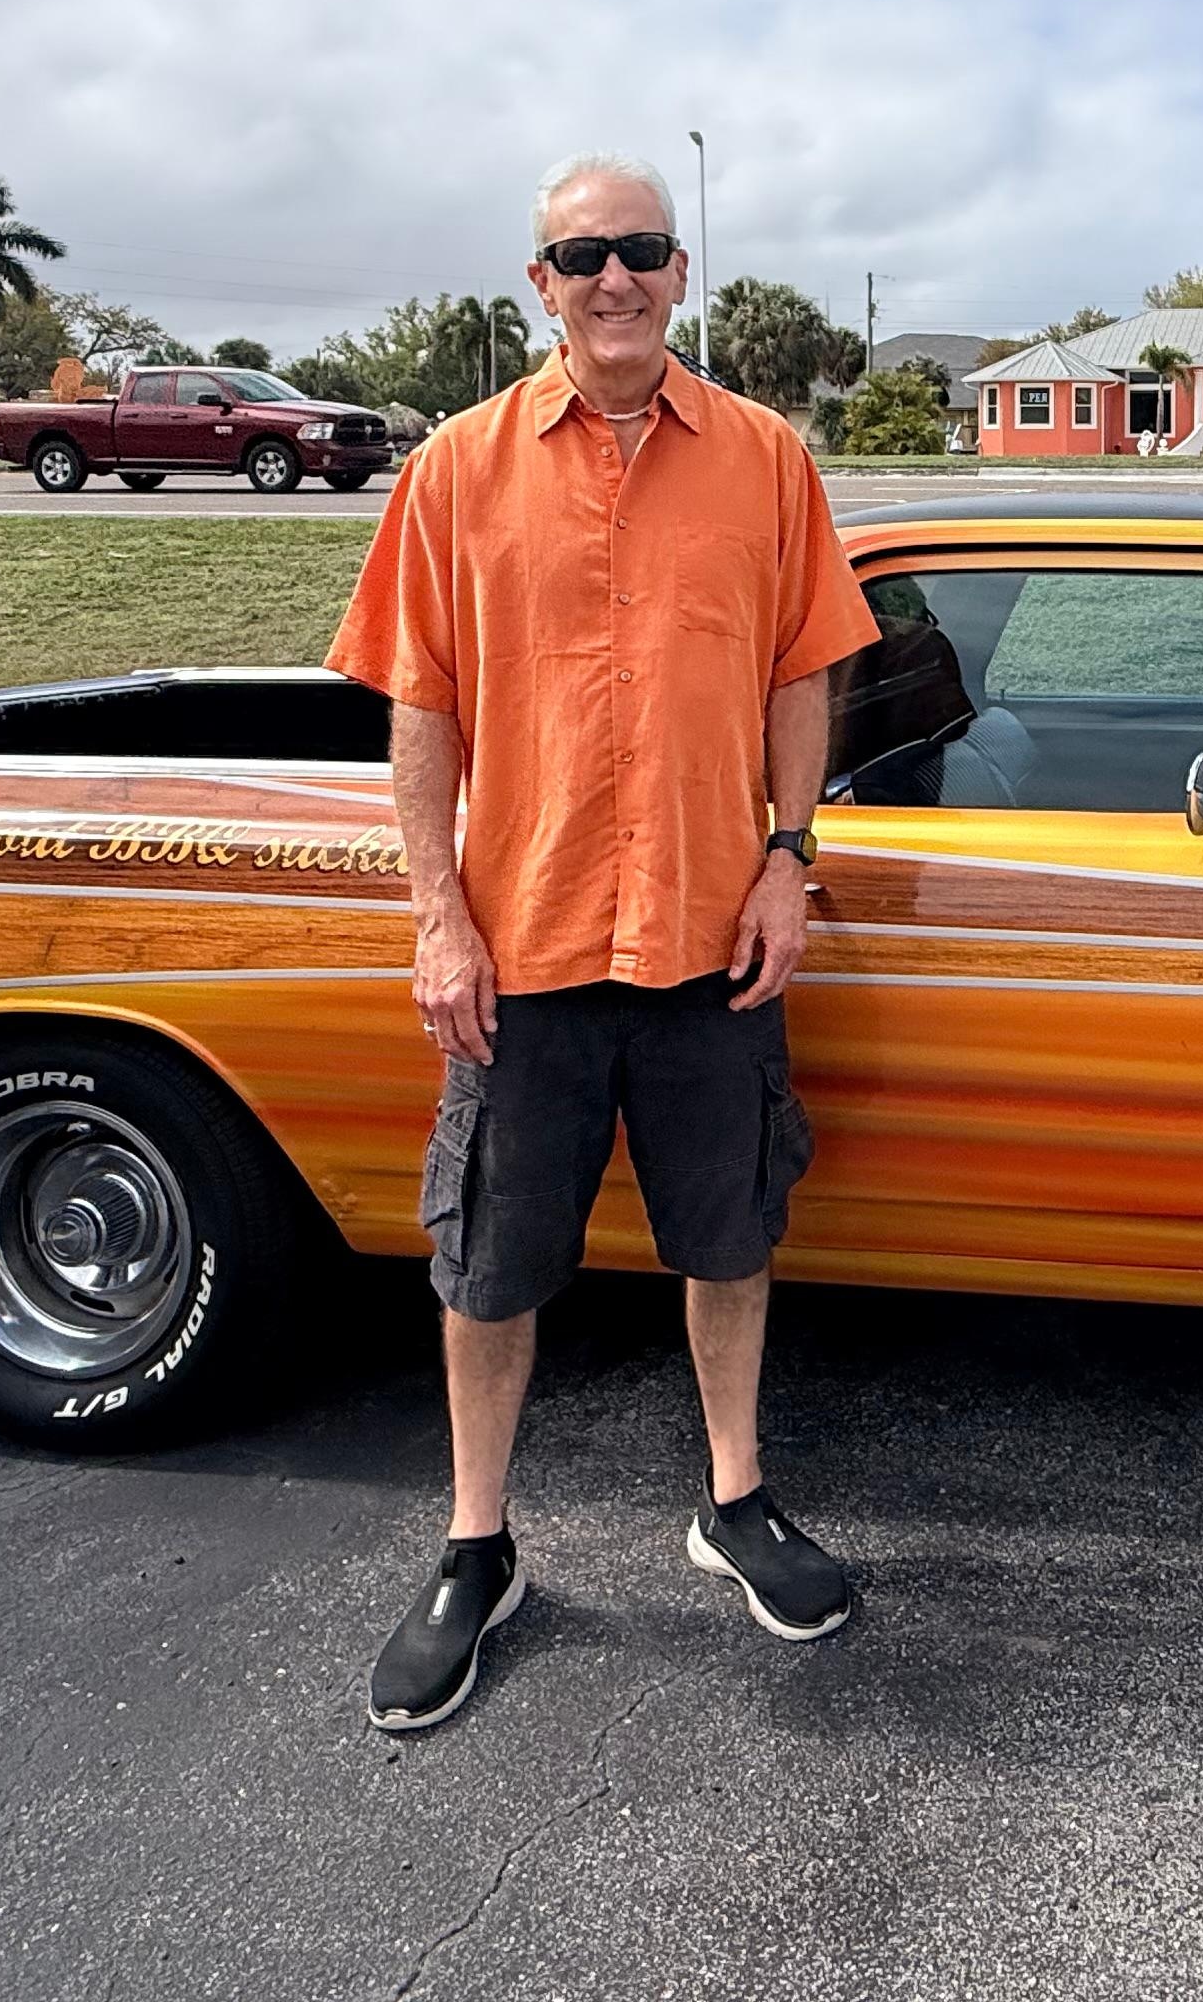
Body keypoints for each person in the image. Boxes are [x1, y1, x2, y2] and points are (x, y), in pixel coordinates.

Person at [333, 152, 879, 1731]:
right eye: (583, 257)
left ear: (680, 269)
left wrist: (790, 861)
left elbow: (801, 677)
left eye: (639, 250)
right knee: (489, 1267)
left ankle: (734, 1502)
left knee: (731, 1237)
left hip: (715, 941)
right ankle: (477, 1548)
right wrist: (439, 917)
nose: (614, 279)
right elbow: (421, 706)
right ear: (542, 285)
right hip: (528, 942)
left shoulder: (768, 460)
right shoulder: (456, 469)